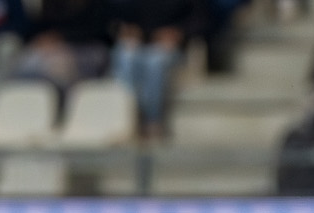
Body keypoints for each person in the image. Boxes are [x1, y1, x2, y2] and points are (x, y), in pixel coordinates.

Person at [109, 0, 197, 136]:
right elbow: (117, 17)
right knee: (124, 54)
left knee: (155, 61)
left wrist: (178, 33)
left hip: (172, 47)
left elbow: (201, 21)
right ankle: (129, 116)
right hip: (141, 43)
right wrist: (126, 30)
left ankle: (152, 120)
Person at [12, 0, 113, 90]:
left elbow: (100, 31)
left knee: (58, 67)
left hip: (88, 47)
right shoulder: (51, 3)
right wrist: (42, 39)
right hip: (53, 49)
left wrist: (62, 38)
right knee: (27, 62)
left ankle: (62, 103)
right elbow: (40, 27)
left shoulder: (96, 4)